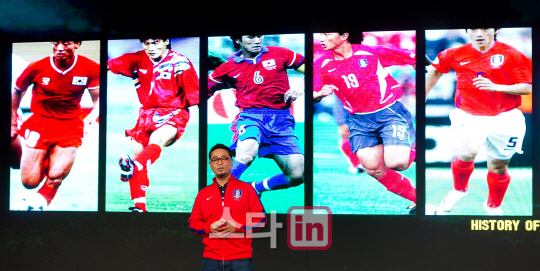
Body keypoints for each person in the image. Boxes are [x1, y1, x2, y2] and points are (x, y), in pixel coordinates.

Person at [426, 28, 532, 215]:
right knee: (467, 153)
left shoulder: (511, 54)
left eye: (484, 28)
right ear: (468, 31)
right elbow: (435, 71)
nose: (479, 33)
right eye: (474, 29)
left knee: (498, 167)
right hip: (469, 114)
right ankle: (458, 191)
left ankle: (493, 206)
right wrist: (423, 96)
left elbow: (527, 87)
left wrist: (496, 87)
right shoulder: (454, 53)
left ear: (495, 29)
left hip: (505, 118)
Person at [314, 32, 417, 213]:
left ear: (345, 36)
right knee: (373, 168)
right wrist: (318, 95)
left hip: (388, 112)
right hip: (359, 119)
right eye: (320, 35)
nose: (321, 39)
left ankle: (413, 147)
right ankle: (418, 199)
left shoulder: (370, 52)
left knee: (397, 163)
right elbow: (313, 91)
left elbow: (412, 57)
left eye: (326, 34)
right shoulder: (320, 64)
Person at [107, 38, 199, 212]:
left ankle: (132, 168)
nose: (150, 47)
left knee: (156, 140)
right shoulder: (136, 59)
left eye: (155, 42)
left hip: (174, 111)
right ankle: (139, 207)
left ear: (166, 41)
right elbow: (106, 66)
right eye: (146, 43)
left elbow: (195, 94)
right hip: (146, 114)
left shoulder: (180, 62)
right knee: (139, 156)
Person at [208, 35, 305, 195]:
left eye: (260, 36)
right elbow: (201, 91)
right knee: (247, 154)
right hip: (251, 116)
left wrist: (301, 87)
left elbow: (313, 70)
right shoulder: (229, 66)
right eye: (251, 37)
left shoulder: (281, 53)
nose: (257, 40)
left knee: (297, 176)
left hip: (281, 120)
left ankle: (254, 188)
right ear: (238, 40)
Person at [11, 41, 100, 208]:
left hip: (70, 126)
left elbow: (98, 98)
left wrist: (93, 115)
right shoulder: (37, 67)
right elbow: (17, 91)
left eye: (66, 44)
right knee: (29, 182)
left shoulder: (91, 67)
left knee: (56, 175)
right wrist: (12, 122)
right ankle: (47, 157)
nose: (59, 48)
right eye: (56, 43)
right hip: (40, 124)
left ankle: (39, 205)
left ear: (77, 44)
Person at [188, 144, 266, 271]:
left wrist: (237, 226)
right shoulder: (203, 194)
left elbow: (261, 219)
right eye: (215, 159)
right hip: (211, 261)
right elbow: (193, 224)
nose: (220, 163)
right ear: (210, 165)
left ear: (231, 162)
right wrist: (210, 228)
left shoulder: (247, 189)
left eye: (224, 159)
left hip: (241, 260)